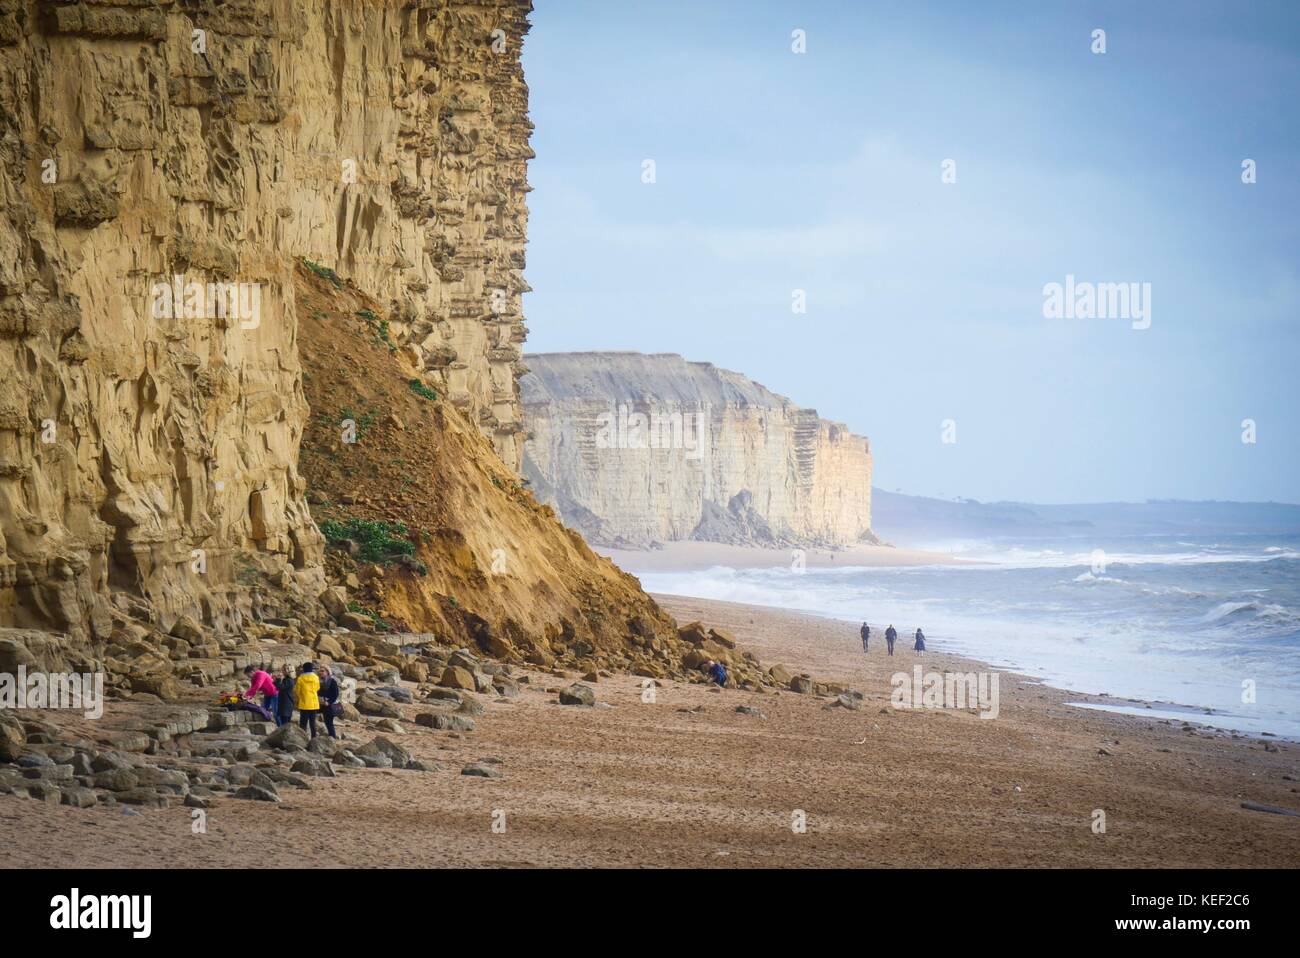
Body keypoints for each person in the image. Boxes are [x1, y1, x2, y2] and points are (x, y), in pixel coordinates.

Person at [295, 662, 322, 738]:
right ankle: (314, 738)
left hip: (304, 704)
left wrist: (301, 697)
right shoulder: (316, 678)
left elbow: (297, 691)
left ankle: (302, 738)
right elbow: (318, 688)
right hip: (314, 704)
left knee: (303, 723)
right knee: (312, 723)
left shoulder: (300, 678)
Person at [318, 665, 341, 739]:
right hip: (321, 704)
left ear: (327, 672)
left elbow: (336, 694)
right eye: (320, 671)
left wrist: (329, 702)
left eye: (322, 671)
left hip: (329, 706)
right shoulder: (319, 681)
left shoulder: (332, 681)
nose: (320, 672)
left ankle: (332, 738)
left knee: (329, 723)